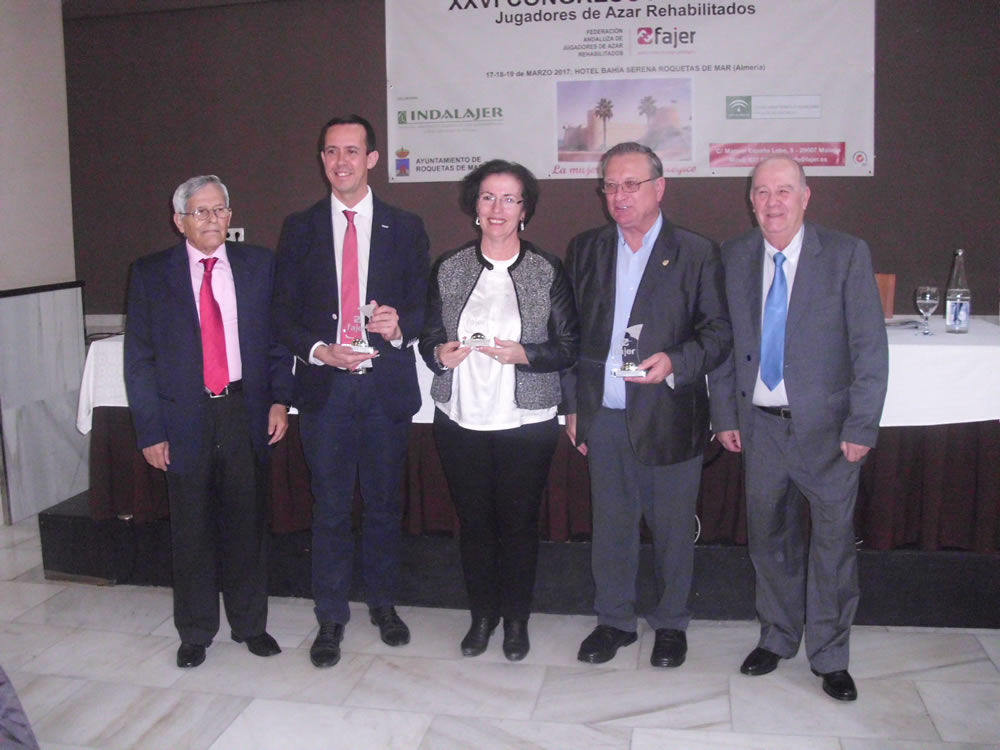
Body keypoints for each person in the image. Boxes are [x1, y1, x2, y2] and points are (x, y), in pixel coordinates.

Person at [709, 156, 888, 701]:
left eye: (784, 190)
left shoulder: (846, 254)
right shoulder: (734, 255)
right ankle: (778, 636)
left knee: (832, 546)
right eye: (762, 192)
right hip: (760, 428)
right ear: (751, 201)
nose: (773, 202)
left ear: (805, 197)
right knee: (770, 540)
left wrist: (862, 425)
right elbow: (724, 345)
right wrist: (725, 416)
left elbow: (869, 348)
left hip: (830, 433)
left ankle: (830, 656)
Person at [561, 142, 731, 667]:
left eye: (631, 184)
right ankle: (614, 621)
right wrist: (573, 407)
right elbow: (569, 335)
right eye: (611, 185)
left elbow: (718, 333)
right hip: (605, 416)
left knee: (673, 530)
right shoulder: (586, 249)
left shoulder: (696, 251)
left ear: (660, 188)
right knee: (611, 527)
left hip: (668, 413)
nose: (619, 196)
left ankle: (671, 623)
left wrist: (676, 360)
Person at [272, 115, 430, 668]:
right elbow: (281, 314)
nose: (341, 161)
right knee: (331, 509)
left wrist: (399, 325)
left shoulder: (405, 226)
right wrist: (318, 349)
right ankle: (331, 617)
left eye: (352, 151)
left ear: (373, 159)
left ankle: (383, 604)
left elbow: (424, 306)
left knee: (385, 506)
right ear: (322, 160)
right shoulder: (300, 228)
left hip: (384, 388)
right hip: (327, 391)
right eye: (331, 151)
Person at [124, 175, 293, 668]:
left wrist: (280, 400)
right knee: (192, 528)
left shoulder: (259, 265)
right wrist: (151, 431)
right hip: (184, 416)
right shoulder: (150, 274)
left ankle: (250, 625)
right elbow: (139, 360)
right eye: (200, 211)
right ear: (179, 221)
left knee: (247, 523)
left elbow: (278, 341)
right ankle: (196, 631)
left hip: (245, 410)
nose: (212, 219)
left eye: (219, 209)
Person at [419, 160, 578, 661]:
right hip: (460, 418)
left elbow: (569, 346)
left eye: (510, 199)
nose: (498, 208)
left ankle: (515, 620)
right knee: (475, 523)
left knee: (518, 524)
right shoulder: (449, 266)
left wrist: (525, 354)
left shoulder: (547, 269)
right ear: (475, 205)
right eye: (488, 197)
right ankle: (482, 617)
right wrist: (438, 354)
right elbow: (429, 336)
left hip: (525, 422)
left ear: (524, 210)